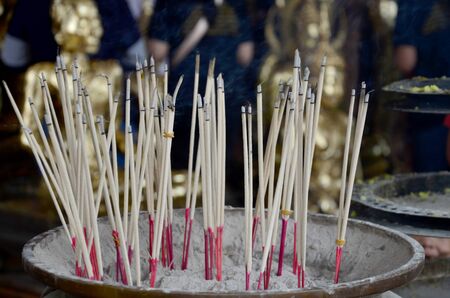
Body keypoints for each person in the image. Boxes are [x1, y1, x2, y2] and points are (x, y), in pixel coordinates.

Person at [147, 0, 255, 176]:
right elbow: (246, 55)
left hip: (183, 95)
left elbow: (157, 52)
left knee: (183, 166)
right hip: (227, 93)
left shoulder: (168, 4)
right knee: (218, 168)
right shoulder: (236, 3)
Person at [393, 0, 450, 172]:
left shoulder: (411, 4)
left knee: (431, 186)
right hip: (434, 114)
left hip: (428, 112)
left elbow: (406, 61)